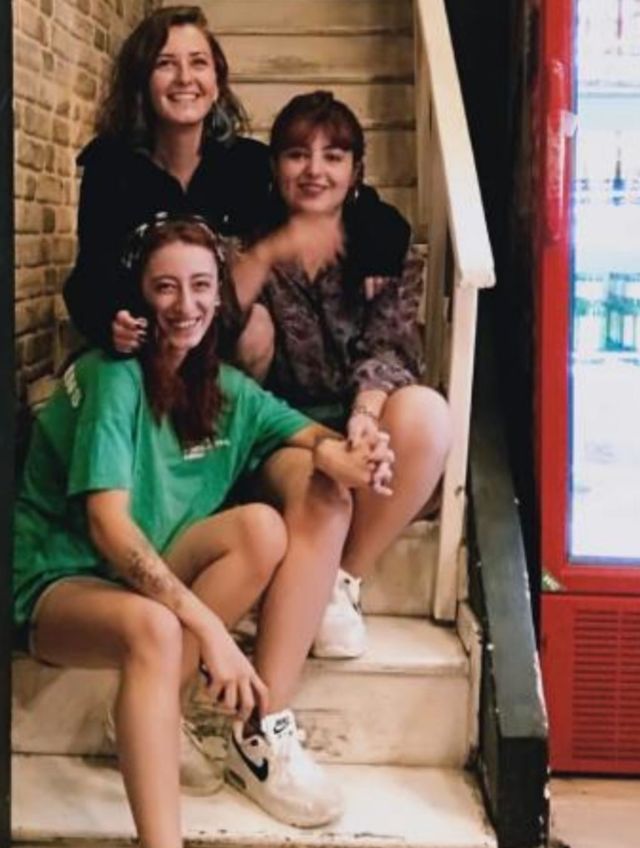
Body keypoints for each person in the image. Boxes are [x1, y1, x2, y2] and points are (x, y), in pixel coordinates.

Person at [14, 218, 395, 844]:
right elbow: (108, 528)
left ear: (220, 295)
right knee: (157, 628)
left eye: (199, 285)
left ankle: (156, 711)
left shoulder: (224, 388)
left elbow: (309, 435)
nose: (184, 304)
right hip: (62, 582)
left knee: (262, 530)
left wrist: (346, 452)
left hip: (140, 576)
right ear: (141, 295)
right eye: (165, 287)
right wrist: (212, 630)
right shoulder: (113, 377)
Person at [231, 91, 453, 659]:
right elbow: (213, 327)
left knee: (427, 412)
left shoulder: (383, 245)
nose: (314, 170)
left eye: (333, 156)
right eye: (297, 154)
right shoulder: (245, 243)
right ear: (275, 166)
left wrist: (365, 415)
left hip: (359, 410)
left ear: (355, 170)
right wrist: (267, 254)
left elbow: (392, 346)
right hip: (281, 427)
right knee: (252, 327)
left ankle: (340, 579)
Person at [62, 4, 411, 354]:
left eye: (198, 62)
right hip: (143, 343)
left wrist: (378, 252)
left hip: (218, 343)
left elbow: (354, 204)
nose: (184, 77)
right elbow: (88, 276)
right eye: (165, 63)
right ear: (142, 82)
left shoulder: (246, 165)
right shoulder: (111, 167)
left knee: (257, 325)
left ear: (216, 83)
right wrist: (109, 321)